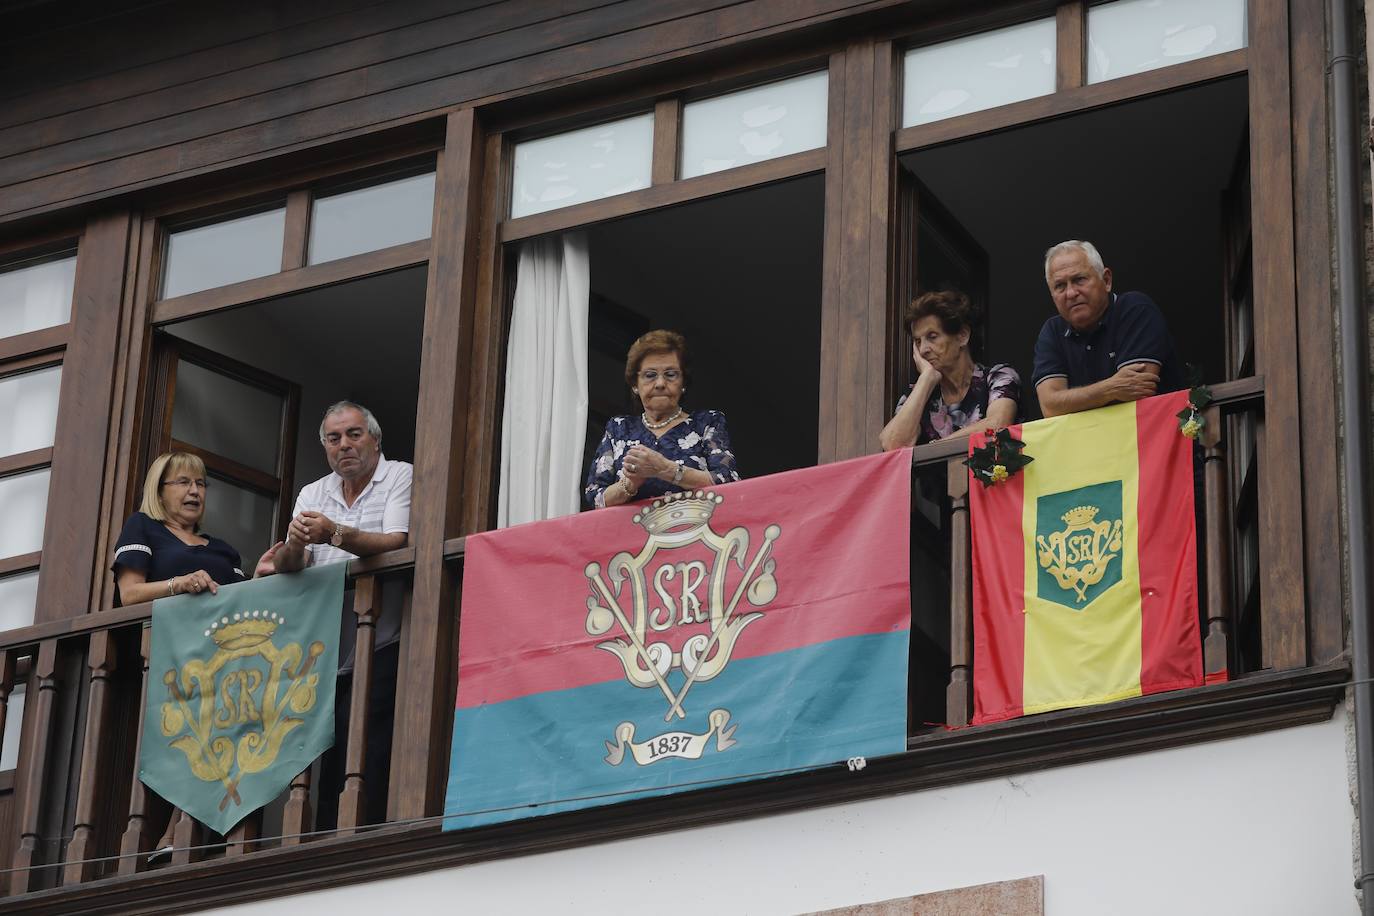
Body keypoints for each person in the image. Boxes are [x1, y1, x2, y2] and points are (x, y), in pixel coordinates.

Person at [112, 451, 279, 861]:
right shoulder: (145, 528)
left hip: (221, 663)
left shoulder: (222, 549)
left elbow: (235, 603)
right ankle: (175, 834)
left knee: (226, 732)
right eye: (183, 483)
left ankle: (181, 836)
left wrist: (259, 577)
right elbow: (129, 594)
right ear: (160, 490)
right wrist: (179, 584)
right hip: (170, 656)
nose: (194, 491)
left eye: (201, 484)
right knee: (193, 735)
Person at [273, 400, 412, 828]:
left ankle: (365, 827)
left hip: (383, 636)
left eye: (354, 434)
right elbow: (289, 566)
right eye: (334, 439)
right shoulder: (313, 493)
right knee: (326, 742)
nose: (344, 445)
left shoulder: (399, 475)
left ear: (375, 438)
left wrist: (334, 533)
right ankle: (324, 833)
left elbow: (397, 542)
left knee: (371, 738)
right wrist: (294, 545)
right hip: (324, 647)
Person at [584, 329, 739, 508]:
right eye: (650, 375)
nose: (660, 384)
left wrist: (666, 469)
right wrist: (630, 484)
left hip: (694, 531)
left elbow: (729, 481)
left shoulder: (707, 423)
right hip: (630, 534)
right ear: (635, 384)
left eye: (671, 374)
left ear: (683, 383)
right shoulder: (619, 429)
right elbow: (595, 497)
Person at [1032, 240, 1185, 418]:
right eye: (1060, 286)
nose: (1071, 293)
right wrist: (1110, 388)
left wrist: (1072, 400)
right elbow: (1050, 408)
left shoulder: (1134, 309)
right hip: (1089, 444)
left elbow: (1137, 391)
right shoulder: (1052, 331)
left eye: (1079, 280)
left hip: (1151, 440)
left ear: (1106, 280)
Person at [879, 289, 1020, 450]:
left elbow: (997, 424)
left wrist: (936, 449)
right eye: (918, 341)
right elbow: (892, 445)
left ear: (962, 336)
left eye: (932, 337)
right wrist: (926, 379)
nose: (923, 349)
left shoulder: (998, 376)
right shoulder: (917, 394)